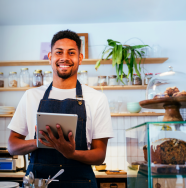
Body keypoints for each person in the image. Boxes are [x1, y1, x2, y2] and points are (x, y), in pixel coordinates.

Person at [7, 30, 113, 188]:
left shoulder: (97, 98)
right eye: (59, 52)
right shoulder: (31, 96)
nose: (65, 58)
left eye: (71, 53)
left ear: (80, 58)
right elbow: (12, 146)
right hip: (38, 183)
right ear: (50, 58)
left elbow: (99, 155)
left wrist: (72, 153)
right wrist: (39, 142)